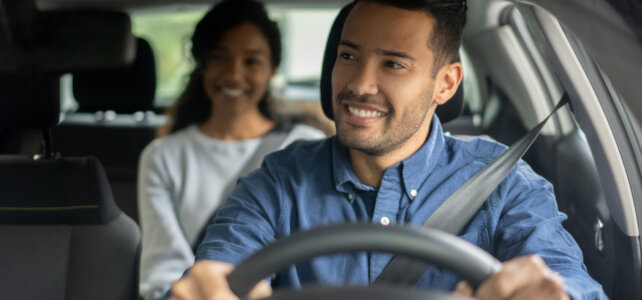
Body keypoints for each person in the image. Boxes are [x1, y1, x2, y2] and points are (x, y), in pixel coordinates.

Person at [168, 1, 608, 300]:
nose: (359, 84)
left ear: (446, 83)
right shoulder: (279, 182)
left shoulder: (502, 182)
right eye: (348, 56)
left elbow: (563, 276)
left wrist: (551, 293)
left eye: (393, 64)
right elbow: (221, 270)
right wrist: (209, 287)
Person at [137, 1, 326, 299]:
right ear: (202, 64)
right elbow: (162, 271)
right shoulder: (163, 156)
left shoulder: (304, 146)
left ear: (272, 68)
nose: (234, 75)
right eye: (220, 58)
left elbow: (317, 261)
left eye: (251, 61)